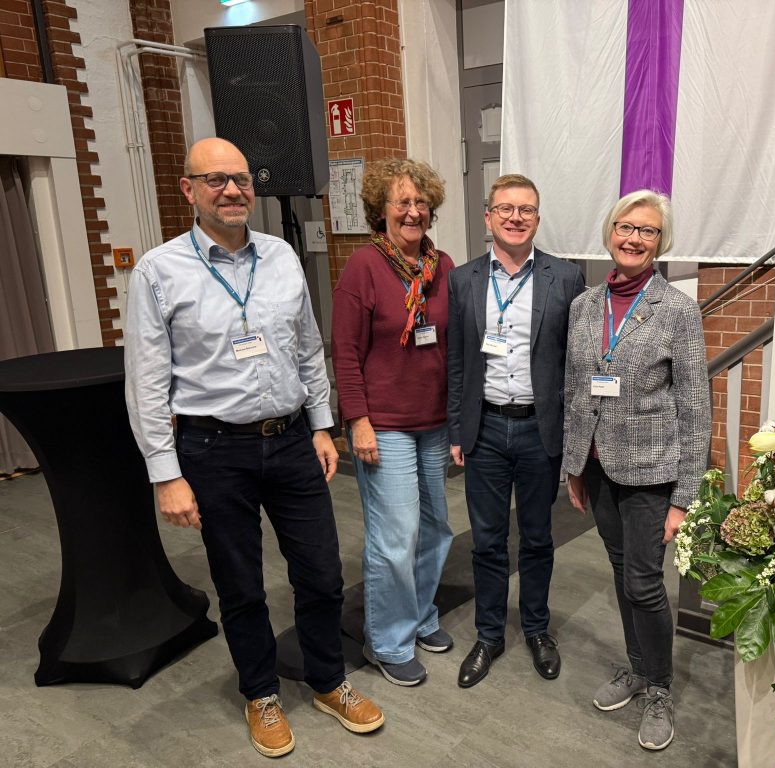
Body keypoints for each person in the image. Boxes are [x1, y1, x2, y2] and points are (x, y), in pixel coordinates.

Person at [124, 137, 383, 759]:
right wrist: (166, 473)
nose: (233, 190)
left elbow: (305, 346)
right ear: (188, 189)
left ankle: (327, 680)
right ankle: (261, 692)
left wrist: (322, 425)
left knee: (321, 575)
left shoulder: (282, 255)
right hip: (214, 451)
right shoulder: (158, 272)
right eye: (215, 180)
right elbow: (146, 382)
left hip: (292, 439)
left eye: (240, 178)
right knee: (240, 585)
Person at [562, 190, 710, 751]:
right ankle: (637, 667)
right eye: (624, 227)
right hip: (598, 466)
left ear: (659, 243)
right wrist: (573, 467)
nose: (632, 238)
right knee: (621, 570)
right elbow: (577, 390)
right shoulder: (584, 305)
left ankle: (660, 689)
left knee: (645, 582)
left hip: (652, 472)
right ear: (609, 233)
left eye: (646, 231)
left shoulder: (676, 309)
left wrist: (683, 497)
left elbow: (696, 406)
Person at [447, 174, 586, 688]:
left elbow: (574, 363)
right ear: (488, 217)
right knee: (485, 542)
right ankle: (488, 635)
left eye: (525, 209)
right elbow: (457, 363)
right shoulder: (462, 280)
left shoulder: (565, 278)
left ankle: (535, 628)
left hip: (537, 432)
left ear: (537, 218)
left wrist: (573, 437)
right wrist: (458, 430)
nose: (514, 217)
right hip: (484, 431)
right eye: (504, 208)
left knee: (537, 539)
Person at [332, 158, 455, 687]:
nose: (412, 211)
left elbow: (452, 345)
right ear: (380, 211)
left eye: (420, 202)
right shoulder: (363, 267)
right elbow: (345, 351)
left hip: (434, 422)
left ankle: (420, 615)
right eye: (401, 202)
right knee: (395, 536)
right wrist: (357, 420)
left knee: (434, 530)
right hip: (385, 425)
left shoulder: (443, 265)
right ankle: (386, 639)